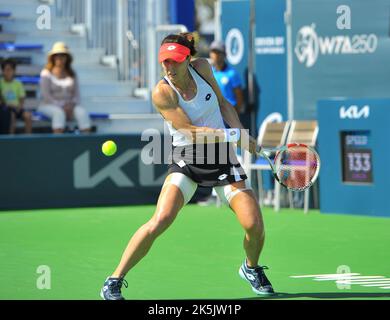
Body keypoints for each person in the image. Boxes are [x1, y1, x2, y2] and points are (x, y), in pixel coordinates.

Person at [100, 33, 274, 300]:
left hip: (223, 159)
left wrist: (240, 131)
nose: (169, 66)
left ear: (188, 60)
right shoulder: (162, 92)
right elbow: (191, 131)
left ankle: (251, 268)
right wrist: (233, 136)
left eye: (175, 61)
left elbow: (224, 104)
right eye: (164, 61)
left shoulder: (202, 68)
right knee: (161, 220)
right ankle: (114, 280)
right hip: (188, 159)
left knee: (254, 225)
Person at [38, 42, 91, 133]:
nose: (60, 58)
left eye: (63, 55)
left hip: (70, 106)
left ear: (67, 58)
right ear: (53, 58)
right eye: (57, 55)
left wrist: (71, 105)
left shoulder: (72, 74)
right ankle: (58, 142)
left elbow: (77, 95)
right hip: (48, 105)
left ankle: (85, 143)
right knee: (59, 113)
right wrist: (62, 106)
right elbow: (46, 96)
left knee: (82, 113)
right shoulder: (46, 73)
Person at [209, 40, 244, 115]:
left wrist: (234, 114)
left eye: (218, 52)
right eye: (213, 52)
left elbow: (239, 98)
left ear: (224, 54)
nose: (215, 55)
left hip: (229, 113)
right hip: (214, 113)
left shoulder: (232, 74)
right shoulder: (209, 72)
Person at [0, 58, 32, 134]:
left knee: (28, 116)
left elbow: (22, 98)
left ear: (14, 71)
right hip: (6, 109)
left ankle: (29, 139)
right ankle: (11, 139)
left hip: (17, 108)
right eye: (6, 70)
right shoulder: (0, 83)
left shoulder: (18, 83)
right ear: (3, 71)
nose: (8, 72)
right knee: (12, 116)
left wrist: (19, 107)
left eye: (10, 70)